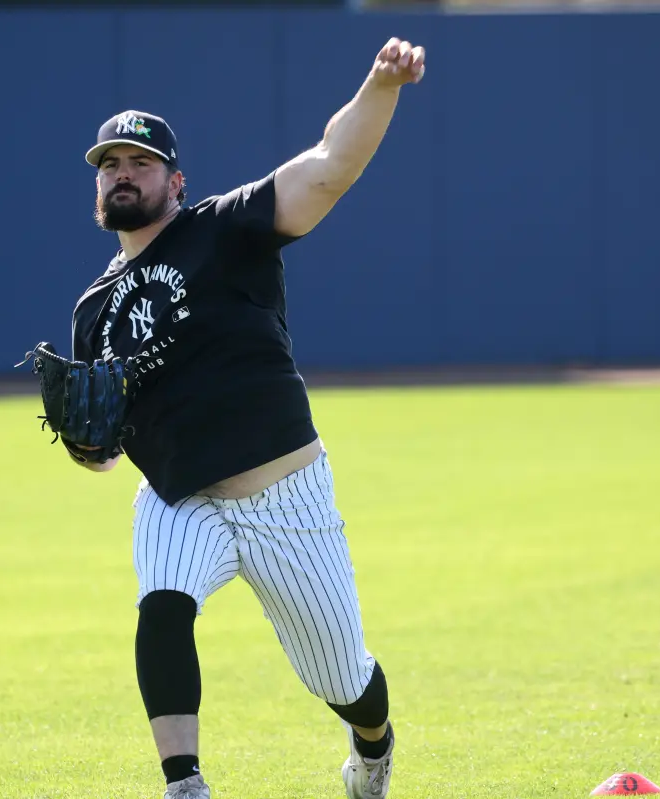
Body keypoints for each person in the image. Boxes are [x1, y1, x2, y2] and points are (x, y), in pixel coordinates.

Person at [66, 37, 425, 799]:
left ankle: (373, 745)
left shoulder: (226, 229)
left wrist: (382, 83)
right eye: (109, 165)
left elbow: (331, 166)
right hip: (178, 497)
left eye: (138, 162)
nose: (121, 175)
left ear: (175, 179)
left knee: (342, 675)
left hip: (285, 495)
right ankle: (184, 783)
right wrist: (86, 445)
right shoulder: (92, 312)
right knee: (162, 605)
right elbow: (102, 446)